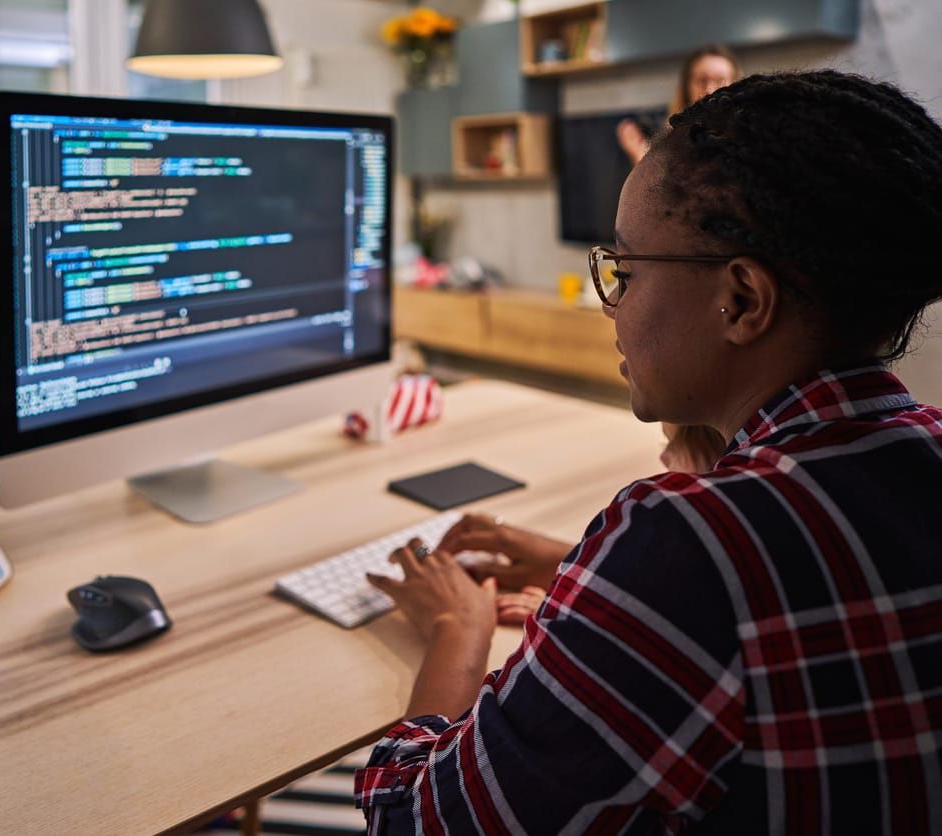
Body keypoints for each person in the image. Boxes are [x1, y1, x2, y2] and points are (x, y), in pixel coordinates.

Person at [356, 70, 942, 834]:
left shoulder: (690, 542)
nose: (612, 302)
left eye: (624, 271)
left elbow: (415, 824)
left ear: (740, 299)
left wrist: (454, 632)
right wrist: (585, 572)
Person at [618, 45, 742, 473]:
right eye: (702, 79)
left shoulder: (749, 162)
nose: (711, 88)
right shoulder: (669, 153)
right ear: (685, 88)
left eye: (721, 78)